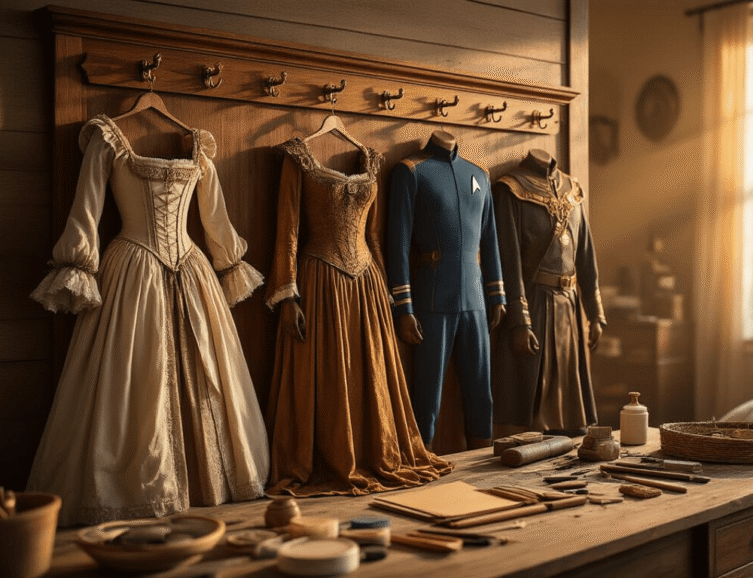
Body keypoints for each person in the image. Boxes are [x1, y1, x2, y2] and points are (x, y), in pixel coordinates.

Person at [27, 115, 268, 526]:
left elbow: (215, 217)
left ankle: (209, 480)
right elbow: (86, 208)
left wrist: (227, 258)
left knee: (211, 367)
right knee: (134, 368)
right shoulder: (107, 141)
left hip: (191, 267)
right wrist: (79, 260)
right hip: (133, 267)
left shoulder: (201, 150)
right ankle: (139, 488)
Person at [264, 132, 452, 497]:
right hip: (321, 282)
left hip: (368, 284)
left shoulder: (372, 161)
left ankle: (375, 450)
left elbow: (375, 237)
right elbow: (287, 232)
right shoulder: (296, 159)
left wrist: (389, 295)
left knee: (373, 371)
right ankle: (334, 455)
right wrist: (287, 296)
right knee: (329, 370)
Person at [385, 130, 507, 450]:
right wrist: (404, 307)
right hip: (433, 295)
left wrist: (497, 295)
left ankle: (481, 465)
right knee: (427, 393)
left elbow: (490, 239)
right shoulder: (411, 171)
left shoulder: (478, 174)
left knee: (481, 392)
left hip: (476, 297)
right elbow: (397, 245)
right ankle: (421, 460)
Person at [491, 149, 606, 437]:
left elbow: (585, 255)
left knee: (572, 414)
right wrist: (520, 322)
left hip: (570, 307)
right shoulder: (510, 189)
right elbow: (509, 262)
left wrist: (595, 313)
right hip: (534, 305)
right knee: (531, 413)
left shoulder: (572, 189)